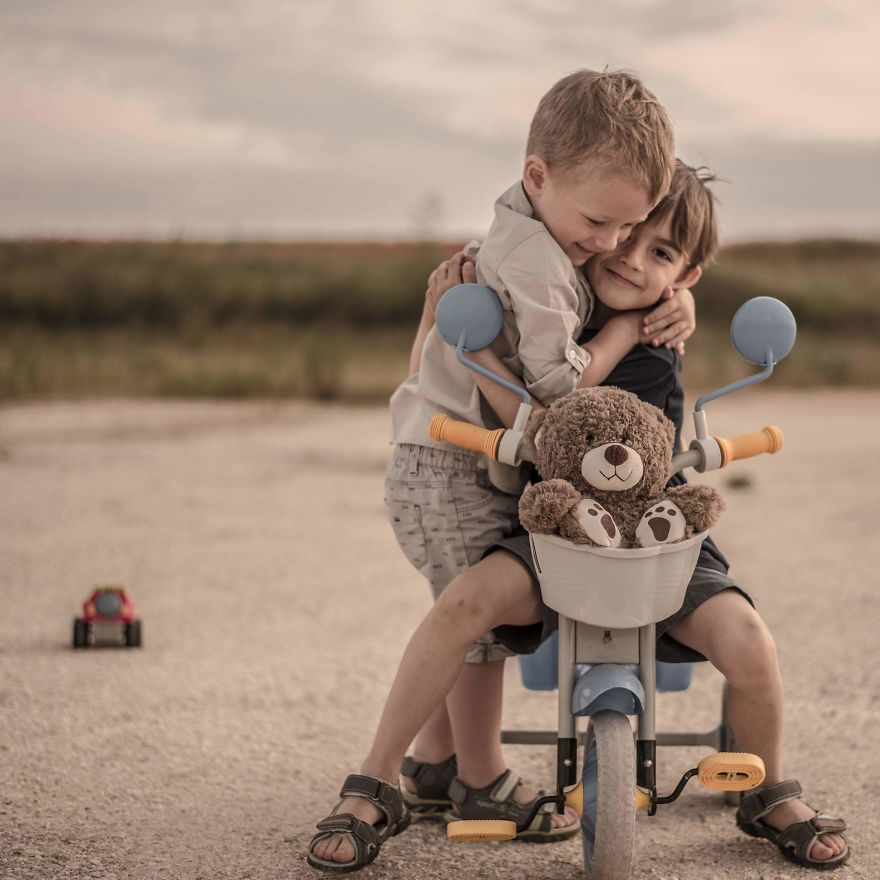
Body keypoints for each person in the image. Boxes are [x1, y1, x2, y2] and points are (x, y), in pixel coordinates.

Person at [307, 160, 844, 875]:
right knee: (462, 601)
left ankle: (767, 788)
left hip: (658, 532)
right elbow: (536, 419)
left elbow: (564, 410)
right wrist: (463, 333)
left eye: (660, 252)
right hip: (556, 530)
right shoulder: (549, 315)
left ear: (686, 279)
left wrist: (655, 316)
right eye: (623, 234)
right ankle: (377, 777)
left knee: (750, 643)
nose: (628, 256)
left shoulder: (654, 337)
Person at [383, 69, 692, 841]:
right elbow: (557, 394)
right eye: (601, 223)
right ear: (537, 176)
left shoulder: (526, 230)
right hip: (452, 461)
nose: (612, 243)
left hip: (440, 454)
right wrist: (628, 328)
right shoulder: (537, 263)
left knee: (456, 607)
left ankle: (432, 761)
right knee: (478, 630)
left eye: (631, 231)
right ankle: (481, 778)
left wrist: (672, 296)